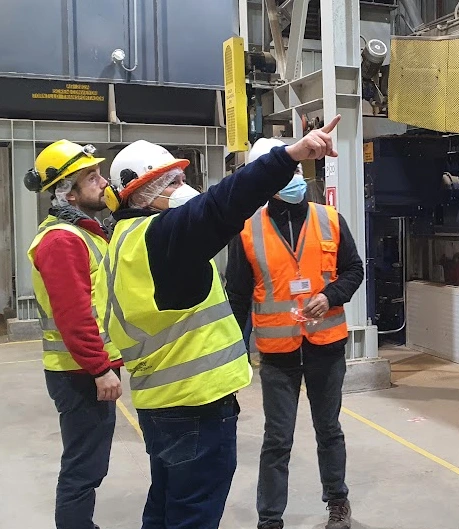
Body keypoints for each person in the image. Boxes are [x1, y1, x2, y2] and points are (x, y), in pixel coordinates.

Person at [93, 115, 341, 529]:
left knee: (165, 509)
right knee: (193, 516)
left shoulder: (121, 242)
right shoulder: (163, 239)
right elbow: (224, 202)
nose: (181, 190)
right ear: (146, 195)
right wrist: (290, 156)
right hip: (195, 408)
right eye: (171, 182)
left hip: (159, 405)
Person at [225, 138, 364, 529]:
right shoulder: (248, 230)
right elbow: (236, 295)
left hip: (325, 345)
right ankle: (270, 519)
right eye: (286, 170)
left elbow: (354, 269)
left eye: (297, 170)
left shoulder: (330, 220)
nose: (294, 177)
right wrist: (234, 354)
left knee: (329, 430)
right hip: (278, 352)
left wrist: (331, 295)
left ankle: (338, 502)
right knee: (277, 440)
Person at [24, 139, 123, 529]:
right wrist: (100, 368)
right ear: (69, 191)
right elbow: (74, 315)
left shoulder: (82, 232)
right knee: (84, 468)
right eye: (92, 177)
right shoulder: (62, 240)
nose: (103, 183)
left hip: (82, 369)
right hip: (79, 373)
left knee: (89, 464)